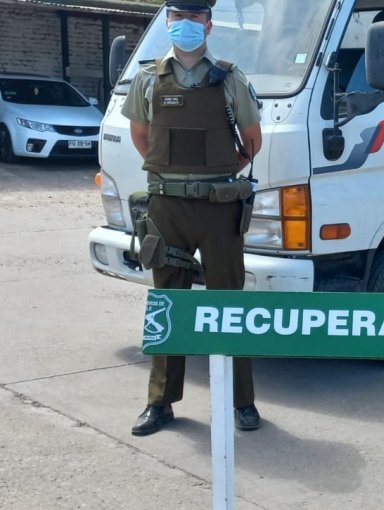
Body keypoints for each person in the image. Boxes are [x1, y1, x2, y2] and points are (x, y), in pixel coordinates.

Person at [122, 0, 263, 436]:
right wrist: (176, 178)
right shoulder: (148, 77)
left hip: (220, 208)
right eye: (177, 18)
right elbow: (141, 136)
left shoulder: (230, 78)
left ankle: (242, 402)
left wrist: (213, 178)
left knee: (230, 305)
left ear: (209, 24)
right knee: (169, 304)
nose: (185, 26)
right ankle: (159, 403)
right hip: (167, 208)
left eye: (193, 18)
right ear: (167, 22)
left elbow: (251, 142)